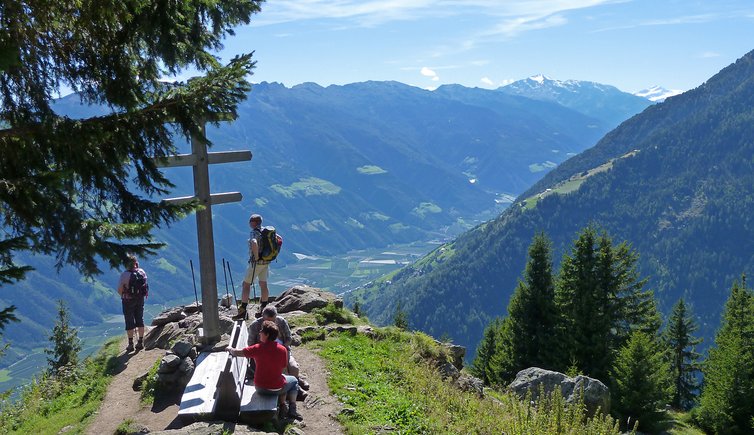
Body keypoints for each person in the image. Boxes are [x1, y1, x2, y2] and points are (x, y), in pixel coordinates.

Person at [227, 320, 302, 420]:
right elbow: (284, 366)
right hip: (277, 388)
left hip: (260, 388)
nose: (260, 333)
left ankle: (283, 406)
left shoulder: (257, 348)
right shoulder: (282, 349)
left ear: (266, 335)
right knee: (293, 381)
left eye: (262, 331)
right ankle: (290, 408)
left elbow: (237, 352)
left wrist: (229, 349)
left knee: (284, 380)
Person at [248, 305, 310, 393]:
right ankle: (295, 389)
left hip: (282, 350)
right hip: (265, 355)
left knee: (294, 367)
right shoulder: (255, 326)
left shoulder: (281, 321)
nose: (271, 323)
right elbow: (251, 344)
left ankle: (297, 380)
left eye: (273, 320)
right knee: (282, 368)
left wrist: (282, 349)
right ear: (263, 317)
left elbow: (289, 338)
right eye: (268, 320)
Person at [234, 213, 271, 320]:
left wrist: (256, 256)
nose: (249, 223)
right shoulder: (265, 231)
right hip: (266, 261)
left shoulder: (254, 232)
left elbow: (254, 242)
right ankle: (263, 308)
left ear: (254, 223)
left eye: (250, 221)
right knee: (263, 284)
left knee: (246, 284)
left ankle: (243, 310)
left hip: (257, 262)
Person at [117, 254, 147, 352]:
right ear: (135, 263)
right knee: (140, 318)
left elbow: (120, 289)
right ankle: (140, 342)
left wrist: (123, 295)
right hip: (140, 298)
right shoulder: (142, 272)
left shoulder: (124, 275)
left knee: (129, 321)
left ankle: (130, 344)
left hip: (127, 300)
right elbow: (145, 285)